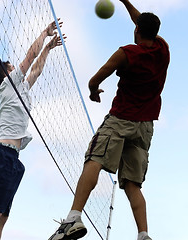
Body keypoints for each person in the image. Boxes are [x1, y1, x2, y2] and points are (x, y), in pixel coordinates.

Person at [48, 1, 169, 240]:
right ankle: (143, 235)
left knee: (94, 160)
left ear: (136, 31)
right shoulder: (162, 49)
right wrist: (125, 1)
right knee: (133, 184)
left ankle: (73, 218)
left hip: (121, 119)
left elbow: (95, 79)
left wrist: (94, 92)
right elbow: (142, 21)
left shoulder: (127, 53)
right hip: (145, 127)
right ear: (155, 33)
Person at [0, 20, 65, 240]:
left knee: (3, 216)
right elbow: (29, 58)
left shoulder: (20, 89)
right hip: (2, 155)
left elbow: (35, 69)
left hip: (12, 158)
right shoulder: (9, 85)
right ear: (8, 74)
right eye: (13, 68)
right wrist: (45, 33)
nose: (18, 69)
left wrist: (47, 49)